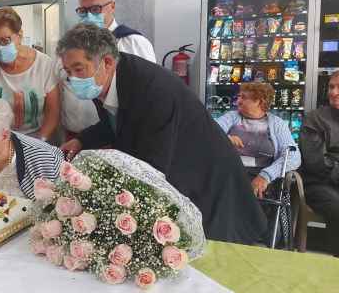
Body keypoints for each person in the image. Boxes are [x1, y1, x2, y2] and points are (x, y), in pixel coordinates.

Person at [58, 23, 266, 244]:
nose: (73, 80)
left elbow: (151, 166)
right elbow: (116, 123)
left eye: (78, 69)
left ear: (107, 62)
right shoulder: (106, 79)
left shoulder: (152, 89)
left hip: (207, 181)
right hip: (178, 168)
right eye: (68, 72)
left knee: (214, 257)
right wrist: (81, 140)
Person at [60, 0, 157, 140]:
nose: (89, 15)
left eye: (96, 9)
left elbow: (149, 95)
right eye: (83, 11)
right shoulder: (73, 46)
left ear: (112, 6)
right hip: (80, 135)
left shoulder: (132, 42)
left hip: (120, 134)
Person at [0, 7, 60, 141]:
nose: (0, 47)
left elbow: (52, 113)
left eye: (6, 40)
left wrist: (39, 143)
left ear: (20, 35)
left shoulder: (44, 65)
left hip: (39, 139)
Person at [215, 83, 301, 198]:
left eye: (244, 97)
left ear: (260, 102)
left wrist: (266, 176)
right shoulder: (231, 117)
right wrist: (225, 138)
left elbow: (293, 157)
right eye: (239, 97)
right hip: (229, 173)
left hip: (261, 178)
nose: (238, 101)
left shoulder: (277, 124)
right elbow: (210, 132)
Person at [300, 71, 339, 256]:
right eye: (331, 87)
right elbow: (316, 162)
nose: (334, 92)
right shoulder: (315, 118)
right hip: (318, 184)